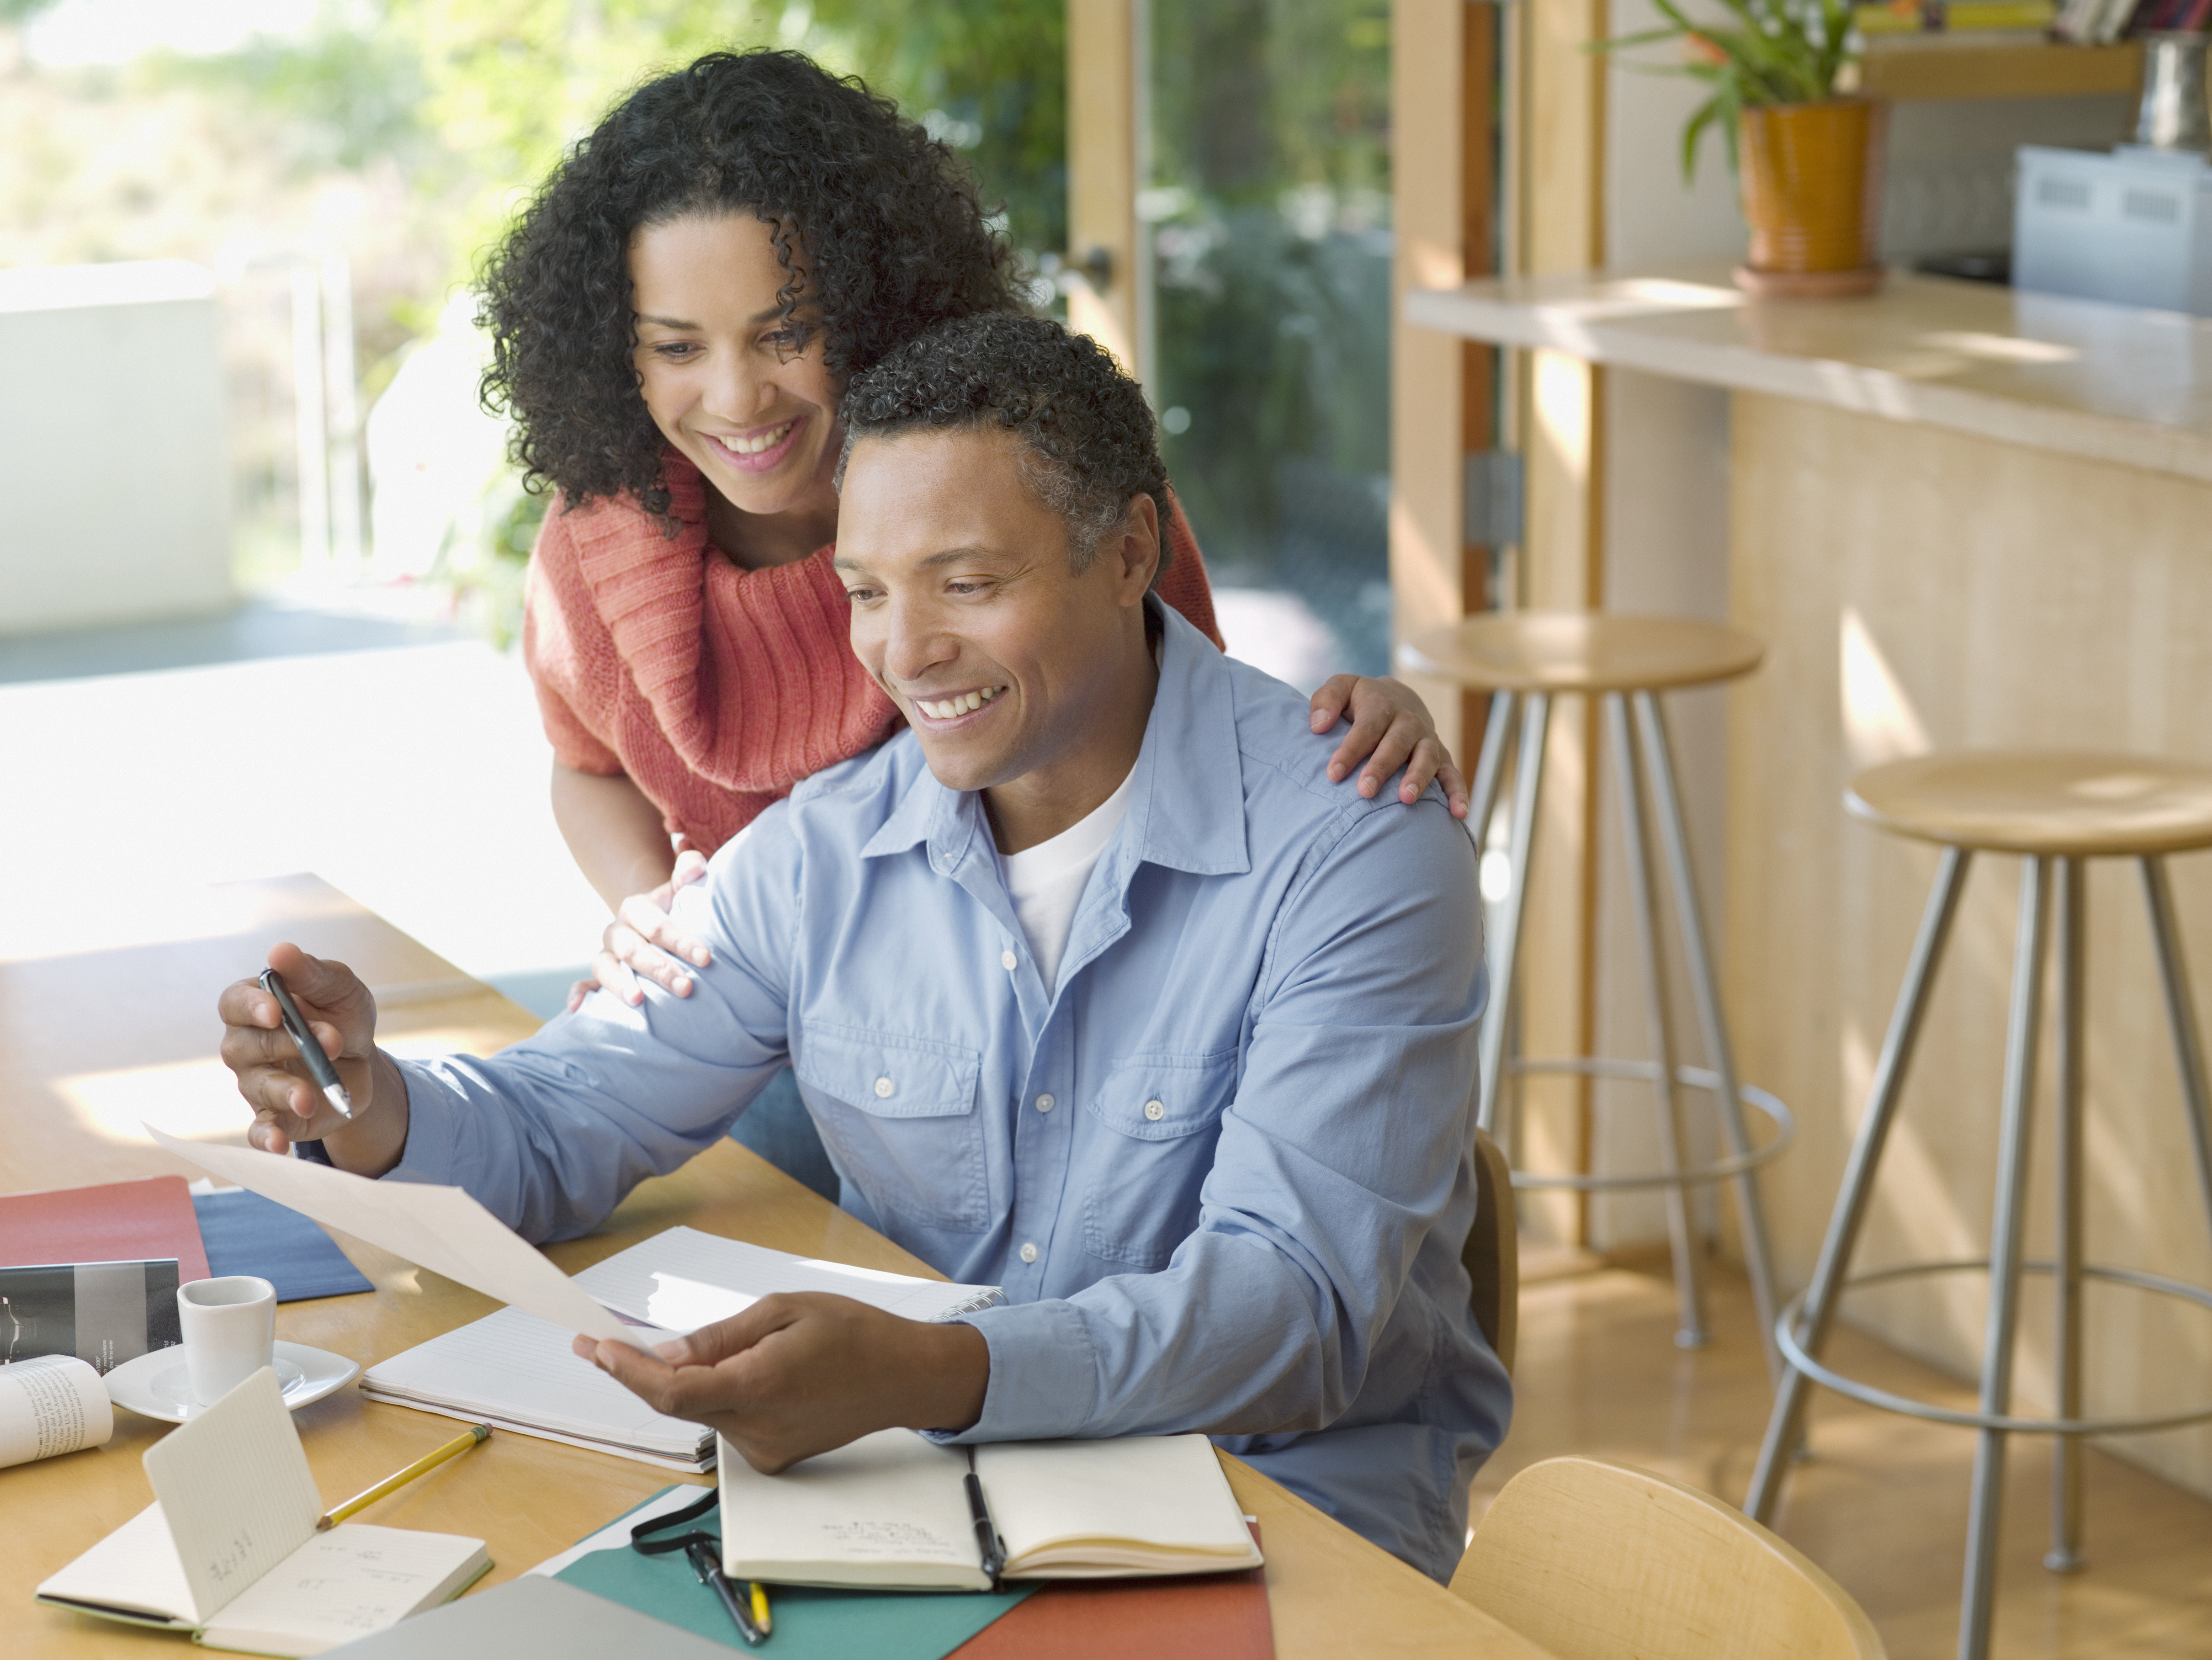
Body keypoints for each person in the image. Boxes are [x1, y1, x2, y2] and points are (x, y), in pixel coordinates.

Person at [221, 315, 1507, 1581]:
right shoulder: (830, 850)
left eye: (968, 583)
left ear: (1128, 554)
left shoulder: (1358, 853)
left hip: (1280, 1518)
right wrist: (371, 1098)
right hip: (933, 1499)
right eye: (866, 592)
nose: (905, 649)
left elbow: (1292, 1312)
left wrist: (933, 1373)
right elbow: (564, 1116)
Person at [478, 50, 1469, 1198]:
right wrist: (653, 914)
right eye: (678, 346)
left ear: (867, 303)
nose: (739, 397)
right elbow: (584, 768)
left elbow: (1185, 739)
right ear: (620, 350)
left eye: (784, 331)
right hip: (733, 999)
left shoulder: (1015, 478)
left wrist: (1346, 736)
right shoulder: (600, 543)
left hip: (1007, 1026)